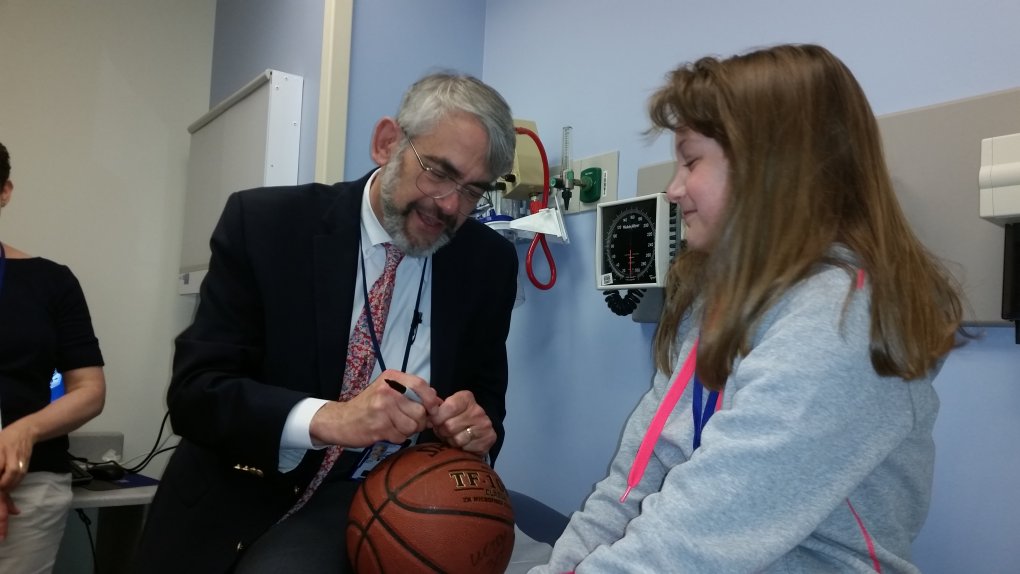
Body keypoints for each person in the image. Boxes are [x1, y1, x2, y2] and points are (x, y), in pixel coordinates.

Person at [532, 44, 964, 573]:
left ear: (771, 166)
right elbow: (636, 482)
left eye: (691, 161)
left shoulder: (843, 321)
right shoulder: (717, 306)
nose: (672, 189)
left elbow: (695, 539)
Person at [134, 72, 519, 573]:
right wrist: (331, 419)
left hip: (367, 511)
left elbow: (487, 401)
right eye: (439, 173)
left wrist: (473, 430)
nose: (449, 205)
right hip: (230, 498)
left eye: (472, 191)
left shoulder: (486, 264)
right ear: (386, 143)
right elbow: (196, 394)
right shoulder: (267, 225)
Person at [0, 141, 107, 572]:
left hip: (31, 486)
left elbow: (89, 391)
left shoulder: (52, 282)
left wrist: (23, 431)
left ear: (4, 191)